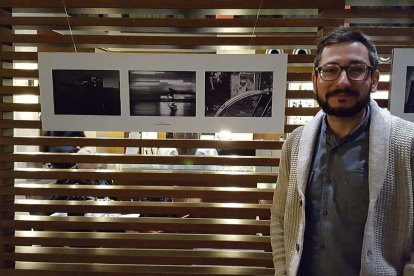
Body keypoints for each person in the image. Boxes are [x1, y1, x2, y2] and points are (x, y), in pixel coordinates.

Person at [270, 27, 414, 276]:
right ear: (315, 80)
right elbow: (280, 220)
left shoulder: (406, 142)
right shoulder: (295, 143)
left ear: (374, 79)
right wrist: (284, 269)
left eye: (356, 69)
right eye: (330, 70)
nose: (342, 81)